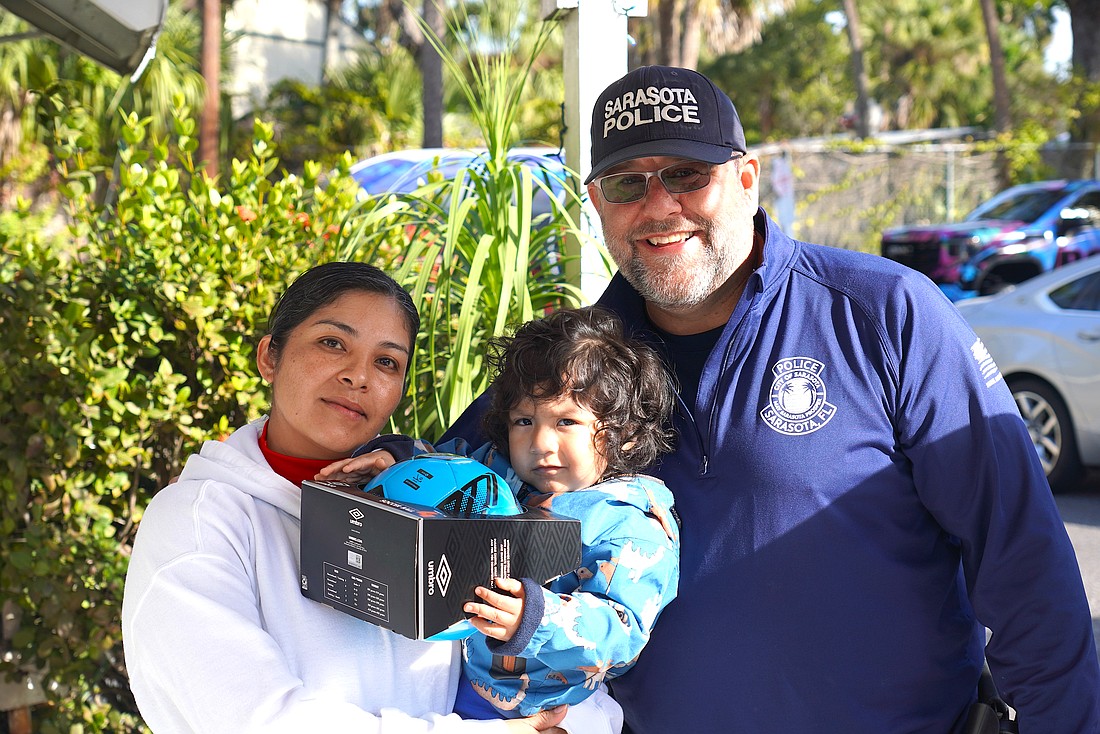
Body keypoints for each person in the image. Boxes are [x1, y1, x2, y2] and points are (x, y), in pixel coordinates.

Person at [443, 66, 1100, 733]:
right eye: (626, 183)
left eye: (688, 174)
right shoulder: (569, 365)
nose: (659, 204)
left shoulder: (886, 315)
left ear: (747, 179)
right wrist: (384, 459)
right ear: (597, 201)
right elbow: (442, 483)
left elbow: (1023, 562)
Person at [121, 262, 580, 733]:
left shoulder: (450, 502)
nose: (358, 376)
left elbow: (559, 667)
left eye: (386, 362)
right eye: (332, 343)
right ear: (269, 358)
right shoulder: (196, 523)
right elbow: (258, 721)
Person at [320, 306, 681, 725]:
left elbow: (623, 631)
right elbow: (444, 465)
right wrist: (394, 460)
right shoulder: (499, 471)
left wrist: (534, 616)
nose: (540, 443)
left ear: (626, 434)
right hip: (445, 674)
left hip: (540, 710)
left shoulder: (629, 526)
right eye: (524, 420)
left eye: (566, 421)